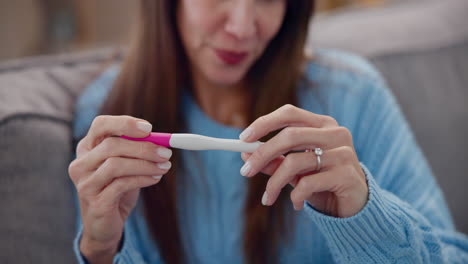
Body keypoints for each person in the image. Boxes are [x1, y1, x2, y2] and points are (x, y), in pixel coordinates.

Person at [68, 0, 468, 263]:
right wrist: (100, 249)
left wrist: (365, 216)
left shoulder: (354, 98)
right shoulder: (107, 117)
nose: (242, 26)